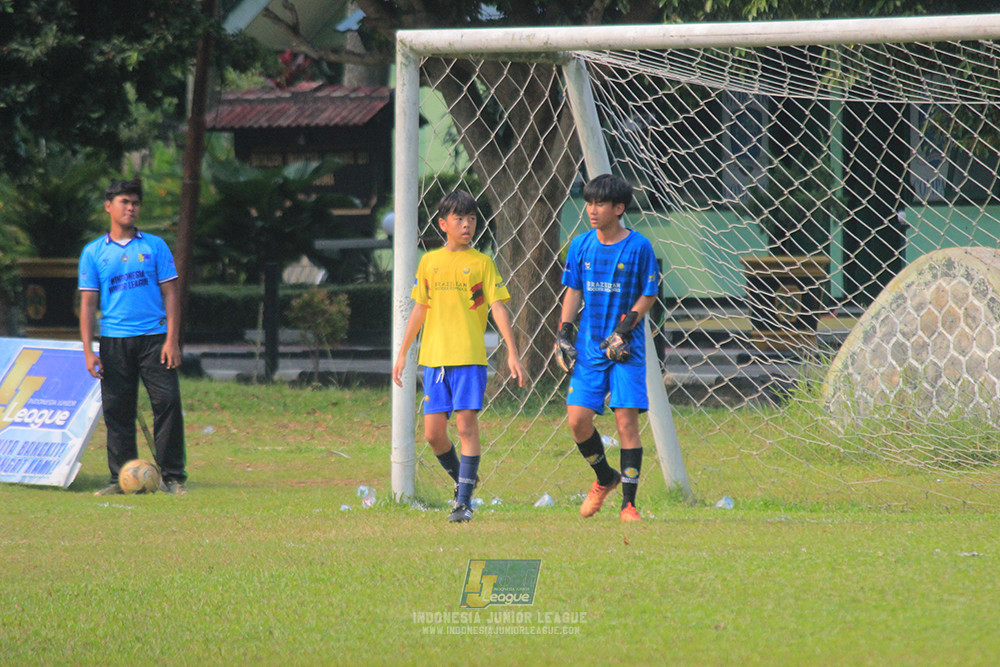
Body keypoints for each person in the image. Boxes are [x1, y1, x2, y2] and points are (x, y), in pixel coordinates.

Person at [393, 190, 526, 523]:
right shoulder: (429, 262)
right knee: (433, 434)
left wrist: (511, 351)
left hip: (469, 359)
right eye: (459, 219)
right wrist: (403, 353)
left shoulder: (482, 263)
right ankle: (465, 480)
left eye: (472, 219)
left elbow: (497, 306)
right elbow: (420, 309)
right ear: (443, 224)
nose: (467, 225)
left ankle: (463, 503)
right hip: (435, 361)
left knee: (466, 425)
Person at [554, 174, 659, 522]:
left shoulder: (638, 247)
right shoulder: (581, 245)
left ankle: (629, 505)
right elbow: (573, 290)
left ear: (619, 208)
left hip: (625, 350)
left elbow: (649, 292)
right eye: (589, 202)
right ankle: (605, 478)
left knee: (626, 421)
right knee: (578, 420)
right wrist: (564, 334)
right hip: (590, 349)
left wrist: (625, 329)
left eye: (600, 203)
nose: (592, 209)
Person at [79, 179, 188, 495]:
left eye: (135, 203)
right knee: (117, 409)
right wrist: (89, 350)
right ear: (108, 205)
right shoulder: (93, 252)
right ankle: (120, 478)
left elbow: (171, 294)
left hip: (155, 338)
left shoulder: (155, 247)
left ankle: (173, 476)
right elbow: (87, 304)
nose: (130, 208)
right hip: (114, 341)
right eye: (124, 201)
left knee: (167, 402)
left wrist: (172, 339)